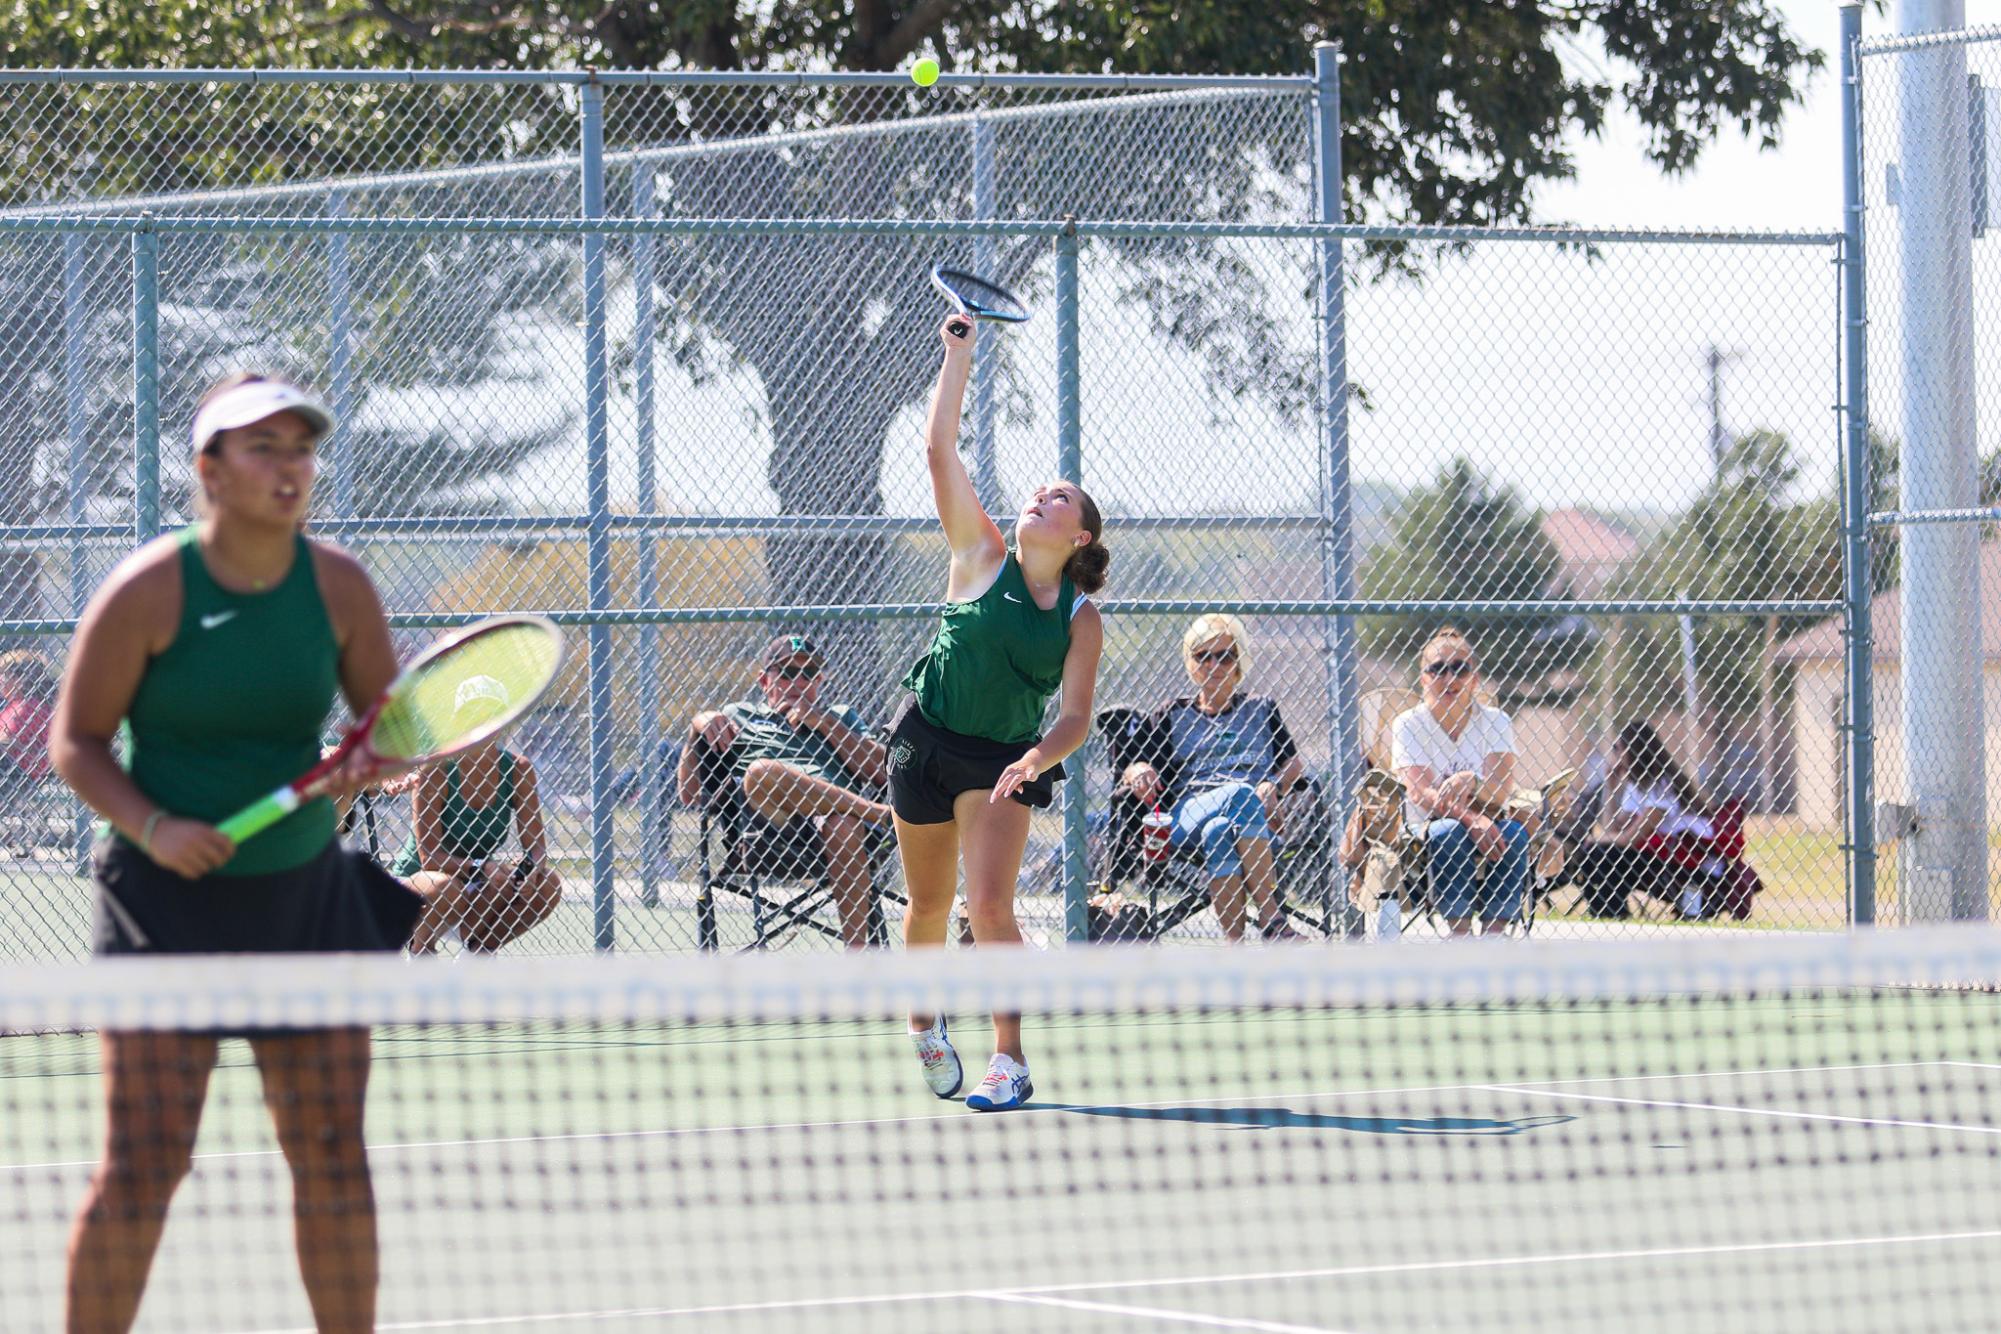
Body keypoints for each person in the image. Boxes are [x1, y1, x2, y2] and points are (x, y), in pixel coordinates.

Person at [49, 372, 421, 1334]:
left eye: (300, 448)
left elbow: (389, 735)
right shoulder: (147, 590)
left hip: (304, 900)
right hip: (160, 903)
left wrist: (364, 766)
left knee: (333, 1153)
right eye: (262, 447)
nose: (288, 466)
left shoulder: (337, 585)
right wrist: (155, 828)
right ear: (208, 471)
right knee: (143, 1163)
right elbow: (76, 743)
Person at [893, 313, 1108, 1113]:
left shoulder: (1079, 619)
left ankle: (1008, 1062)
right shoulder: (980, 554)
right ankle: (923, 1022)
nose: (1038, 497)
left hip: (1003, 763)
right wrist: (958, 354)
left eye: (1056, 497)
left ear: (1078, 533)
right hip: (923, 743)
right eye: (1036, 491)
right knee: (925, 904)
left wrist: (1036, 760)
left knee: (987, 905)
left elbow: (1076, 717)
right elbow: (937, 451)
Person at [675, 633, 891, 949]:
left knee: (842, 824)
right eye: (788, 673)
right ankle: (881, 816)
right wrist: (696, 726)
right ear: (764, 681)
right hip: (768, 831)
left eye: (809, 674)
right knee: (761, 772)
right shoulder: (739, 715)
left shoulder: (841, 716)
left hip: (837, 828)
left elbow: (883, 772)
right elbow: (689, 794)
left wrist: (825, 724)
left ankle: (856, 960)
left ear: (820, 681)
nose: (799, 682)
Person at [1116, 614, 1307, 940]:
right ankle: (1273, 919)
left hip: (1252, 825)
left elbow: (1294, 764)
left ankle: (1235, 951)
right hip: (1189, 812)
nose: (1213, 664)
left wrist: (1274, 784)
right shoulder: (1172, 713)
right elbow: (1131, 762)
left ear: (1239, 662)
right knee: (1240, 794)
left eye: (1225, 655)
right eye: (1202, 656)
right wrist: (1138, 771)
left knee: (1220, 831)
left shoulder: (1261, 709)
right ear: (1190, 664)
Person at [386, 673, 564, 953]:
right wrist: (482, 867)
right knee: (446, 887)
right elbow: (429, 856)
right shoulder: (437, 769)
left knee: (548, 885)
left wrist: (531, 870)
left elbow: (537, 847)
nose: (483, 720)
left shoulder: (519, 770)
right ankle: (420, 950)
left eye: (493, 712)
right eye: (473, 712)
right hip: (422, 883)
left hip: (476, 884)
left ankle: (480, 953)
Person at [1390, 626, 1530, 936]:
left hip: (1489, 816)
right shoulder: (1409, 724)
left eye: (1459, 668)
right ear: (1423, 678)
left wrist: (1471, 780)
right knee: (1448, 832)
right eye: (1437, 669)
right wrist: (1470, 818)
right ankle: (1460, 934)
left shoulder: (1496, 720)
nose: (1449, 679)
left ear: (1475, 678)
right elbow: (1420, 792)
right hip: (1426, 825)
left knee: (1515, 834)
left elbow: (1500, 787)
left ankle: (1494, 936)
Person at [1563, 719, 1714, 920]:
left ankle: (1612, 913)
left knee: (1600, 853)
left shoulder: (1661, 784)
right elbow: (1612, 827)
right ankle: (1609, 912)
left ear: (1634, 750)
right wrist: (1610, 786)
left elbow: (1630, 839)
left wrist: (1597, 840)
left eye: (1618, 748)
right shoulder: (1637, 785)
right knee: (1596, 853)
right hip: (1663, 856)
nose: (1615, 754)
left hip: (1690, 863)